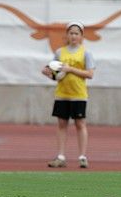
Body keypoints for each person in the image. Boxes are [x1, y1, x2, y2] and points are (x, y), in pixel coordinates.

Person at [41, 21, 95, 169]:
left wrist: (70, 69)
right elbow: (53, 72)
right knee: (61, 125)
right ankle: (60, 156)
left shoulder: (85, 53)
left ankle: (82, 157)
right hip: (62, 94)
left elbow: (90, 74)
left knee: (80, 124)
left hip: (78, 94)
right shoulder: (59, 52)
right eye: (71, 33)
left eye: (76, 33)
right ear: (67, 35)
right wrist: (47, 73)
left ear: (81, 36)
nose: (73, 36)